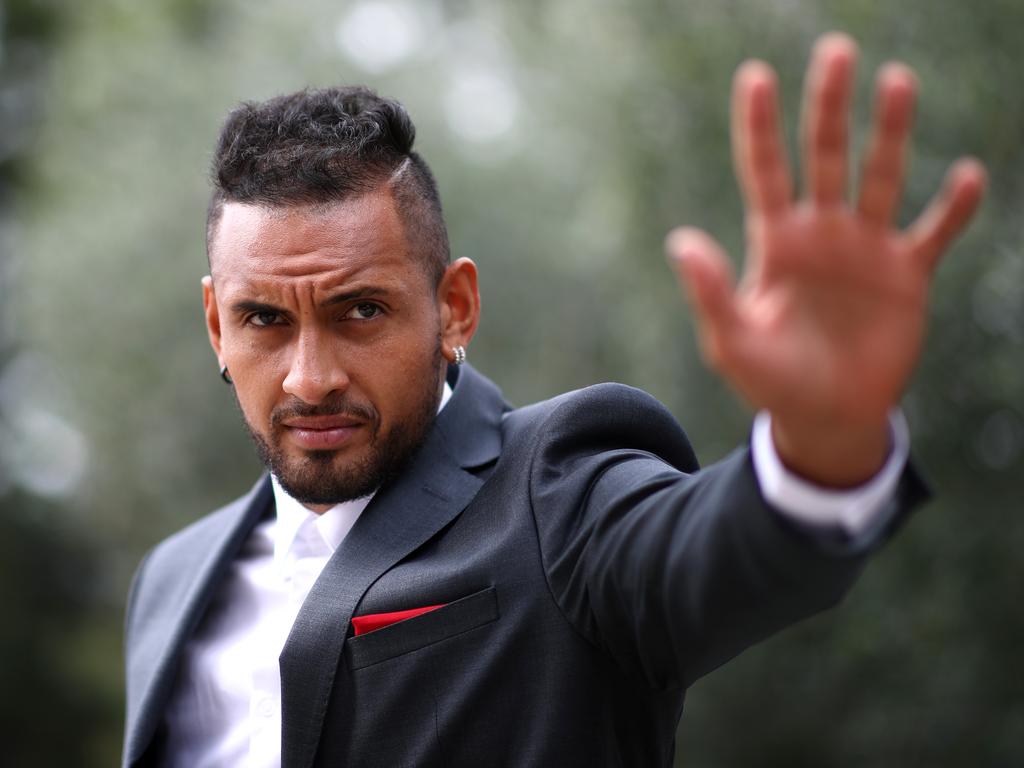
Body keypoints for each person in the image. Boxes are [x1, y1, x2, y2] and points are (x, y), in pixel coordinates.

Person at [121, 33, 985, 767]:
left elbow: (711, 554)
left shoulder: (557, 489)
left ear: (453, 306)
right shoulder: (172, 581)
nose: (310, 377)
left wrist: (820, 442)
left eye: (362, 311)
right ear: (214, 325)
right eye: (264, 320)